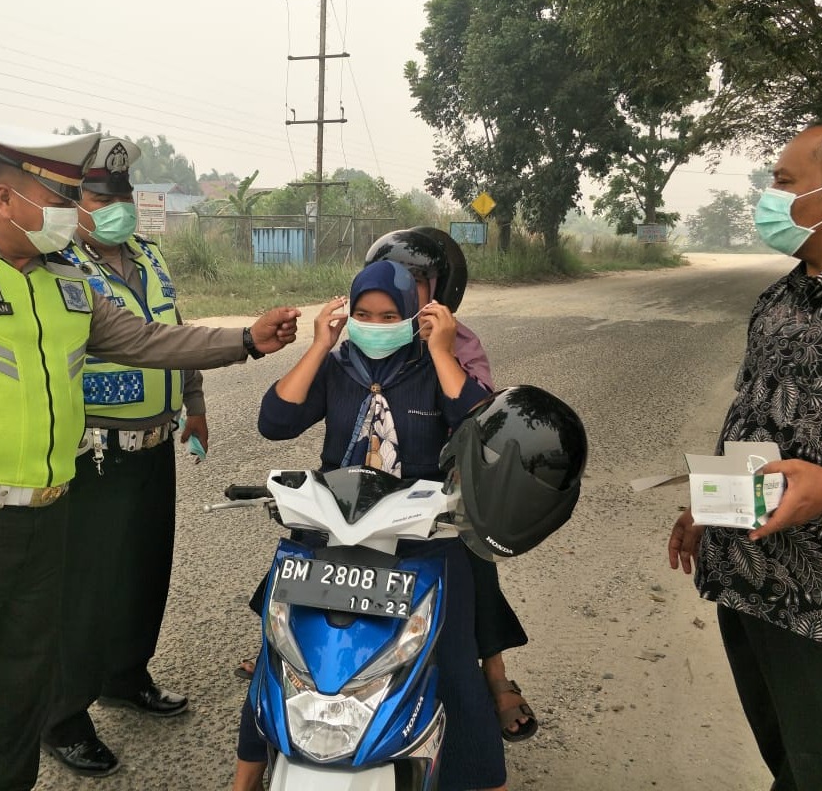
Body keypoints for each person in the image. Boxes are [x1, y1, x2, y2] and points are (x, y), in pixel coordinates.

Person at [0, 119, 299, 791]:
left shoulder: (67, 285)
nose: (73, 216)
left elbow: (149, 343)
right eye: (60, 201)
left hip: (47, 521)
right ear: (4, 200)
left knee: (20, 694)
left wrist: (247, 341)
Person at [233, 259, 506, 791]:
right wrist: (317, 347)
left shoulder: (433, 369)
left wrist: (442, 351)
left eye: (388, 315)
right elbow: (275, 422)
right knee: (283, 655)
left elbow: (482, 427)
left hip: (422, 541)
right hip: (330, 531)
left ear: (414, 316)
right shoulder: (337, 368)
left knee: (451, 664)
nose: (375, 325)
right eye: (363, 313)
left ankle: (485, 779)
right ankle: (244, 779)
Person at [669, 116, 822, 790]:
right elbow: (761, 420)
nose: (769, 196)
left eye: (784, 182)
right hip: (752, 585)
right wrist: (712, 507)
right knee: (790, 766)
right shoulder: (783, 297)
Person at [40, 137, 200, 777]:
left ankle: (125, 674)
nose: (116, 208)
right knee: (87, 587)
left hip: (156, 442)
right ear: (76, 204)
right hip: (95, 455)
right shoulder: (60, 266)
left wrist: (198, 403)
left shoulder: (150, 258)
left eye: (123, 198)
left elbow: (175, 333)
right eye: (101, 197)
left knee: (143, 570)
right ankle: (62, 716)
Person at [366, 226, 537, 742]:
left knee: (474, 562)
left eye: (414, 279)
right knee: (311, 543)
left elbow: (480, 417)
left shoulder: (461, 343)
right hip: (371, 483)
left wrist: (440, 352)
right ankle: (288, 644)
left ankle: (494, 674)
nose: (399, 287)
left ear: (441, 289)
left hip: (440, 487)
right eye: (390, 275)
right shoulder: (362, 332)